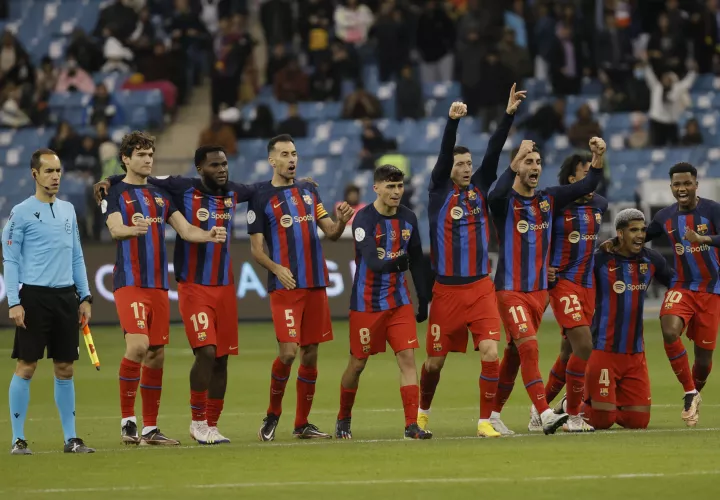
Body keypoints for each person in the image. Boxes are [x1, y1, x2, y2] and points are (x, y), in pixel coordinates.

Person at [94, 145, 259, 445]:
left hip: (167, 285)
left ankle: (154, 429)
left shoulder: (166, 197)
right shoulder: (139, 190)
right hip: (149, 282)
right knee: (144, 346)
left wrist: (208, 235)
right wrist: (112, 187)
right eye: (141, 155)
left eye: (150, 155)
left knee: (160, 355)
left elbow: (185, 230)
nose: (147, 160)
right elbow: (117, 223)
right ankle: (130, 421)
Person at [417, 84, 526, 439]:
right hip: (446, 292)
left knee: (491, 352)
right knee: (434, 362)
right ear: (449, 167)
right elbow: (445, 152)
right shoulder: (438, 191)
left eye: (468, 163)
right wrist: (452, 124)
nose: (465, 168)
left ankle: (484, 422)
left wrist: (509, 114)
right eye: (459, 164)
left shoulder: (479, 186)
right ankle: (422, 412)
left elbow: (494, 150)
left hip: (480, 287)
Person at [487, 136, 606, 435]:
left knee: (514, 354)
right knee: (529, 346)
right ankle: (544, 412)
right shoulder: (505, 203)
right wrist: (514, 163)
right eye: (529, 161)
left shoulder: (549, 199)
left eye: (538, 162)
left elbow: (587, 184)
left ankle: (492, 415)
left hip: (539, 292)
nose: (535, 166)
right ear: (517, 167)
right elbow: (493, 195)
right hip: (510, 289)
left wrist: (597, 155)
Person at [248, 134, 354, 441]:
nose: (292, 159)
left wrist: (342, 221)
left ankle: (302, 423)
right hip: (286, 286)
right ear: (272, 160)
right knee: (289, 352)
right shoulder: (260, 197)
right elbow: (256, 250)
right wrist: (277, 268)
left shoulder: (309, 191)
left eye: (294, 153)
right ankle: (272, 414)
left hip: (315, 283)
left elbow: (332, 232)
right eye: (285, 154)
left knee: (310, 354)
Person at [2, 149, 94, 455]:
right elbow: (11, 259)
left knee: (65, 368)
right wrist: (14, 301)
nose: (55, 176)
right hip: (34, 297)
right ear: (34, 175)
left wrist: (85, 295)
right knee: (26, 366)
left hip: (66, 297)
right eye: (49, 171)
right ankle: (18, 439)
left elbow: (76, 256)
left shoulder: (68, 210)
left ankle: (72, 439)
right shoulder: (21, 212)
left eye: (58, 171)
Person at [335, 164, 432, 440]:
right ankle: (343, 417)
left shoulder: (409, 218)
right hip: (367, 304)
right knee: (357, 364)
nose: (396, 191)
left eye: (399, 186)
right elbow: (375, 263)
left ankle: (411, 425)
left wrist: (423, 298)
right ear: (375, 188)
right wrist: (398, 262)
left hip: (398, 302)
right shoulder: (363, 219)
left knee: (408, 359)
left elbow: (417, 260)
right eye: (390, 186)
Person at [529, 153, 608, 433]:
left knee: (567, 353)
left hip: (588, 286)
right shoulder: (554, 205)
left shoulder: (600, 204)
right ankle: (573, 415)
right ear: (572, 180)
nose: (591, 179)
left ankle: (539, 410)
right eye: (584, 173)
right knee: (585, 346)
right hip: (563, 283)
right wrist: (543, 268)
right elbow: (534, 238)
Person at [582, 209, 673, 430]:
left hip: (635, 354)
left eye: (643, 230)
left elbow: (676, 283)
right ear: (620, 233)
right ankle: (572, 403)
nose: (640, 235)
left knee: (638, 422)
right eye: (633, 230)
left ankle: (608, 403)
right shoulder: (600, 260)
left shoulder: (652, 260)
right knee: (601, 421)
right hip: (603, 350)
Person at [645, 162, 720, 426]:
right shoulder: (665, 217)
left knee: (703, 359)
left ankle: (695, 391)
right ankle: (689, 393)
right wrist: (614, 244)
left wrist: (705, 239)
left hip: (712, 291)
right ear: (671, 187)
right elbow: (640, 237)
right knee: (668, 330)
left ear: (696, 185)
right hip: (682, 287)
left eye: (687, 183)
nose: (682, 188)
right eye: (677, 184)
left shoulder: (712, 210)